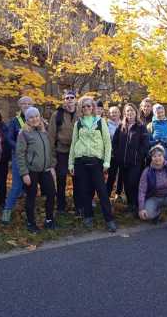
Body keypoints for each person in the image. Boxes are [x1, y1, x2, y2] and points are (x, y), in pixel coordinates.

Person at [68, 96, 117, 232]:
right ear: (81, 109)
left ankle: (109, 219)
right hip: (80, 161)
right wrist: (71, 164)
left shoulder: (100, 122)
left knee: (102, 191)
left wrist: (107, 161)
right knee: (84, 190)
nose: (86, 108)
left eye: (89, 106)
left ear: (93, 107)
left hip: (97, 162)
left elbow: (107, 143)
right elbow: (73, 144)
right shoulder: (78, 124)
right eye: (84, 106)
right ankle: (88, 216)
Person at [16, 107, 57, 233]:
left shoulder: (44, 131)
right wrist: (24, 173)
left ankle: (49, 220)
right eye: (31, 117)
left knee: (51, 193)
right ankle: (31, 223)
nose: (34, 119)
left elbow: (50, 150)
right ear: (27, 120)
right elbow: (20, 154)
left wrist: (51, 166)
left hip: (45, 169)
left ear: (39, 117)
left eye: (36, 116)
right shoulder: (24, 133)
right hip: (31, 171)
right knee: (31, 197)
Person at [112, 103, 149, 216]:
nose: (129, 113)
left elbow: (145, 145)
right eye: (127, 111)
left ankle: (137, 206)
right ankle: (131, 205)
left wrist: (138, 156)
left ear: (136, 112)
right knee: (127, 185)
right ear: (124, 113)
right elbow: (115, 142)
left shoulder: (141, 127)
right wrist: (118, 155)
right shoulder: (121, 127)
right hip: (123, 162)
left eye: (132, 111)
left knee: (134, 183)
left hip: (135, 162)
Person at [1, 96, 34, 224]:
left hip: (33, 157)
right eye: (24, 103)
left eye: (29, 103)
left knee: (31, 185)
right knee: (16, 186)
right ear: (19, 106)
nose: (26, 105)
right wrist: (20, 147)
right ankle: (7, 211)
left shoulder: (36, 120)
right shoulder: (15, 121)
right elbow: (8, 139)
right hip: (18, 157)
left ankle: (29, 212)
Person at [138, 145, 167, 231]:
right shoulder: (147, 171)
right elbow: (142, 191)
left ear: (163, 156)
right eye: (154, 156)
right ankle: (157, 213)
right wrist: (141, 208)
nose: (157, 158)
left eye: (159, 155)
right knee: (146, 215)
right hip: (154, 198)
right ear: (151, 158)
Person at [48, 91, 78, 215]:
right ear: (63, 100)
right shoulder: (57, 115)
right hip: (62, 152)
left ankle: (79, 205)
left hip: (77, 153)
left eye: (72, 97)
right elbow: (51, 136)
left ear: (76, 100)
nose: (69, 100)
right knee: (61, 179)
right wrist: (52, 156)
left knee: (78, 180)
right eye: (67, 98)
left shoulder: (81, 113)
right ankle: (61, 206)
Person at [106, 106, 123, 199]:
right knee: (111, 175)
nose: (114, 114)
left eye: (116, 112)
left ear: (120, 113)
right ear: (109, 114)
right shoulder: (106, 125)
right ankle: (107, 194)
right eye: (112, 112)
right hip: (112, 154)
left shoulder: (124, 124)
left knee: (121, 175)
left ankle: (118, 194)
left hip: (122, 154)